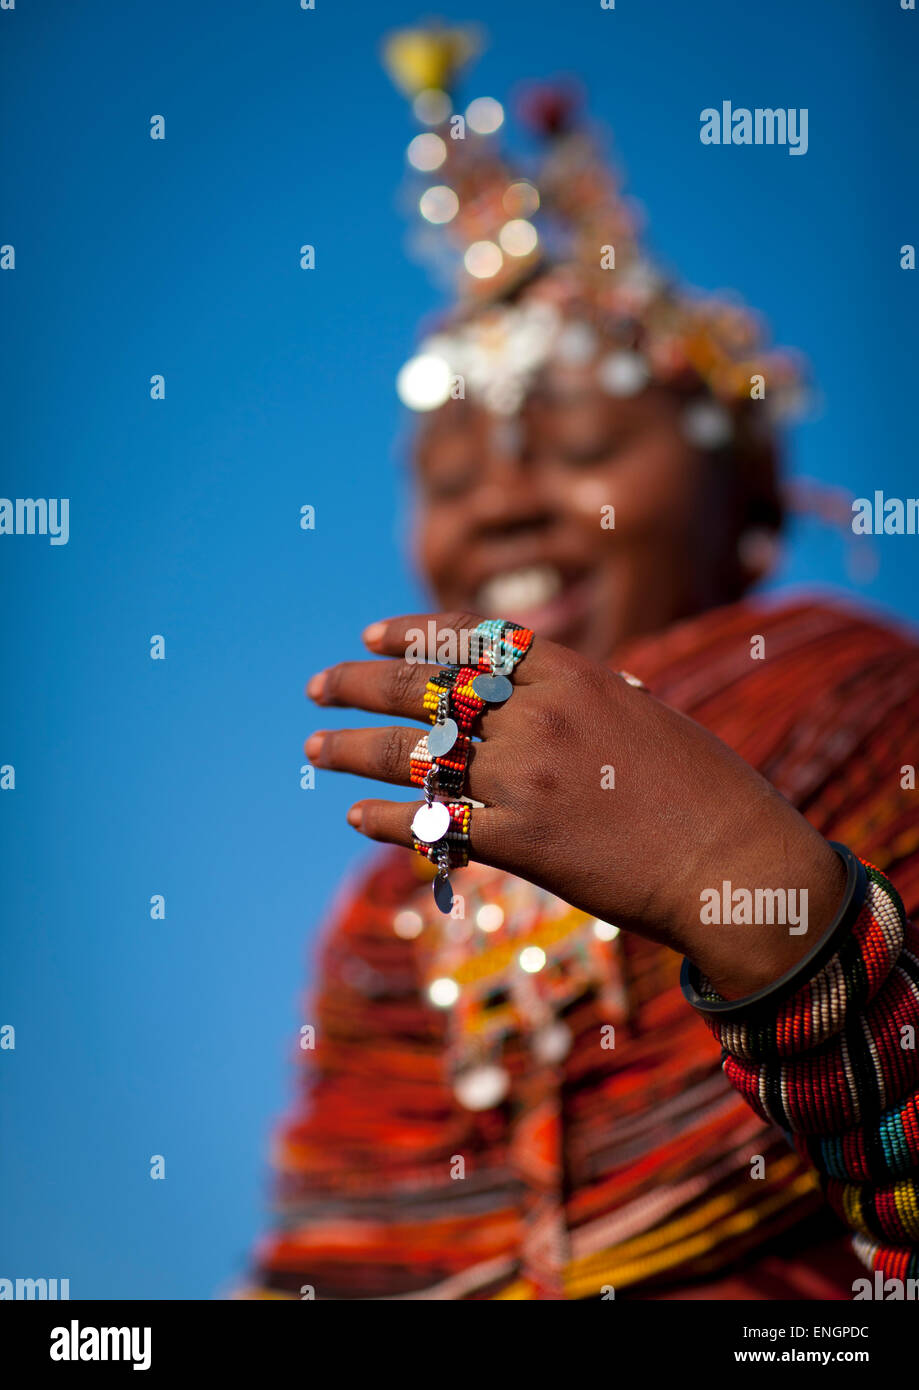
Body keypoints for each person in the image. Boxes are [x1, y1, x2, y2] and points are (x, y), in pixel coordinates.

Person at [243, 27, 919, 1300]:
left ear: (748, 506)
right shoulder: (387, 915)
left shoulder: (865, 707)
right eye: (448, 475)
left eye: (586, 440)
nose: (499, 506)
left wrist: (746, 887)